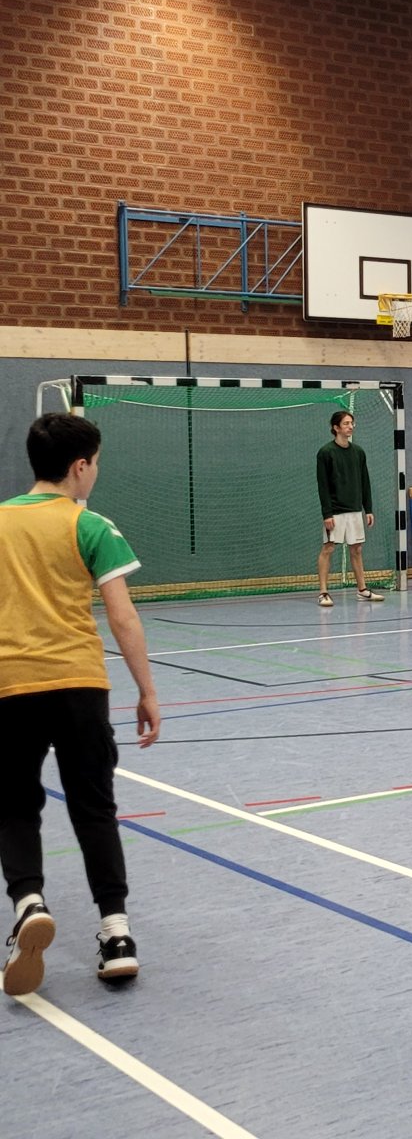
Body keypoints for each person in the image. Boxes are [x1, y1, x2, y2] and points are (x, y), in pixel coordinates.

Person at [2, 414, 160, 995]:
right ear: (80, 466)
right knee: (95, 808)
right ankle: (116, 934)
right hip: (79, 685)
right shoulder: (91, 525)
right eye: (96, 463)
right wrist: (146, 690)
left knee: (14, 805)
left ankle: (28, 902)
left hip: (11, 686)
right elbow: (122, 616)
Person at [316, 409, 384, 607]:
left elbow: (365, 482)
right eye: (346, 423)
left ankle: (362, 590)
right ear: (336, 427)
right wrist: (327, 513)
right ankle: (323, 592)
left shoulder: (358, 452)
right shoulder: (325, 453)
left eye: (351, 423)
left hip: (354, 510)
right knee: (328, 548)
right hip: (335, 511)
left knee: (357, 549)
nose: (350, 426)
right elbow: (323, 486)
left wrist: (367, 509)